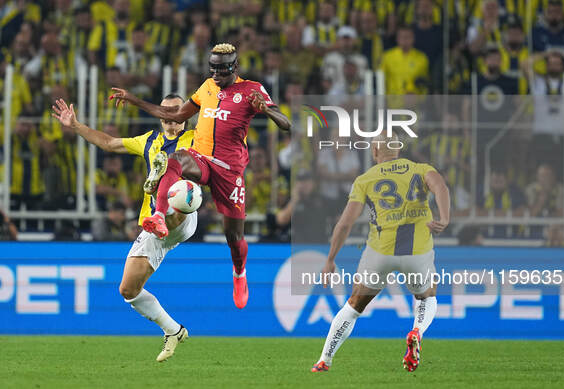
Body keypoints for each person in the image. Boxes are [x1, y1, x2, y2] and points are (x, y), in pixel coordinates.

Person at [109, 43, 291, 309]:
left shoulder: (252, 89)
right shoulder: (206, 87)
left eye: (222, 68)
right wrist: (134, 99)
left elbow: (287, 124)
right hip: (202, 159)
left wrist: (267, 110)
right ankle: (159, 215)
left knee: (234, 237)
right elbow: (174, 114)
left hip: (229, 172)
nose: (216, 73)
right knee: (174, 160)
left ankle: (239, 272)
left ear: (235, 67)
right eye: (212, 67)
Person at [52, 95, 197, 362]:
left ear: (185, 115)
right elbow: (108, 143)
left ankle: (163, 199)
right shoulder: (150, 141)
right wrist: (75, 125)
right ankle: (173, 330)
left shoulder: (197, 139)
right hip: (154, 228)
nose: (168, 115)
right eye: (164, 110)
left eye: (175, 111)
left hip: (183, 215)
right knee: (128, 290)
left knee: (182, 189)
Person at [310, 133, 450, 373]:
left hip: (379, 253)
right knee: (427, 297)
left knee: (354, 306)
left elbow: (345, 223)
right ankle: (416, 331)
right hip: (417, 252)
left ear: (374, 152)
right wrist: (444, 218)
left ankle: (325, 359)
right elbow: (441, 187)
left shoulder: (365, 179)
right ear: (398, 150)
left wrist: (331, 259)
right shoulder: (420, 169)